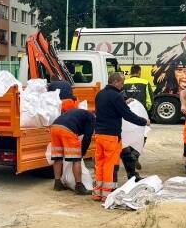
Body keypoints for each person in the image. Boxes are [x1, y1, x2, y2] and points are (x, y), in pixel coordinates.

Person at [92, 72, 149, 202]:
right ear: (115, 82)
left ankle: (97, 193)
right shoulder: (116, 96)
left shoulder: (100, 94)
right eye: (122, 83)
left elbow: (110, 108)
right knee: (110, 165)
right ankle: (107, 194)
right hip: (111, 136)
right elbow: (127, 115)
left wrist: (123, 102)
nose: (122, 86)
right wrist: (144, 121)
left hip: (99, 134)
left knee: (100, 163)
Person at [49, 106, 94, 195]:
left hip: (54, 127)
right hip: (68, 130)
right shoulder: (92, 118)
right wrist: (82, 152)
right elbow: (87, 138)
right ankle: (79, 186)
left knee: (58, 157)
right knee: (76, 159)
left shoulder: (79, 112)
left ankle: (57, 183)